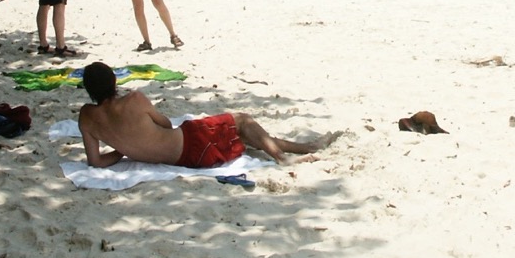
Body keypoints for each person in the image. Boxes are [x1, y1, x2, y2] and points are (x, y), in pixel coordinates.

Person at [78, 62, 338, 168]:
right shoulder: (134, 100)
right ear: (113, 81)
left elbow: (96, 161)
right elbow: (166, 124)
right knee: (242, 120)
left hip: (183, 158)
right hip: (190, 145)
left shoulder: (87, 118)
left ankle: (306, 146)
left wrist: (125, 149)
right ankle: (283, 157)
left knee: (247, 135)